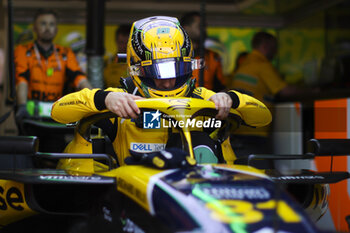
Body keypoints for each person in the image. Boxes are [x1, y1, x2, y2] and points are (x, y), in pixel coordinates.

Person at [51, 16, 271, 167]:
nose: (168, 82)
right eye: (157, 73)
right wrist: (103, 98)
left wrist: (231, 99)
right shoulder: (121, 100)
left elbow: (262, 116)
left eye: (177, 70)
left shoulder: (206, 99)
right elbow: (59, 112)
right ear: (136, 69)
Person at [14, 9, 92, 151]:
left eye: (51, 24)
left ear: (56, 29)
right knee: (29, 158)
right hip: (31, 118)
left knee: (55, 158)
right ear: (35, 28)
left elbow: (79, 78)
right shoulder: (23, 50)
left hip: (56, 118)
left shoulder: (65, 53)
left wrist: (94, 98)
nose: (48, 28)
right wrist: (22, 106)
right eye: (43, 23)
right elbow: (21, 80)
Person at [230, 31, 307, 162]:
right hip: (255, 132)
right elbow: (285, 91)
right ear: (265, 46)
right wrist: (311, 89)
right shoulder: (262, 65)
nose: (276, 52)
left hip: (238, 129)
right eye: (274, 47)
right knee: (260, 173)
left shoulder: (245, 64)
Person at [180, 11, 227, 92]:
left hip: (206, 102)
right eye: (200, 26)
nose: (204, 30)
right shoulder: (174, 55)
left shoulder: (213, 57)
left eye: (205, 27)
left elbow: (221, 88)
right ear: (185, 28)